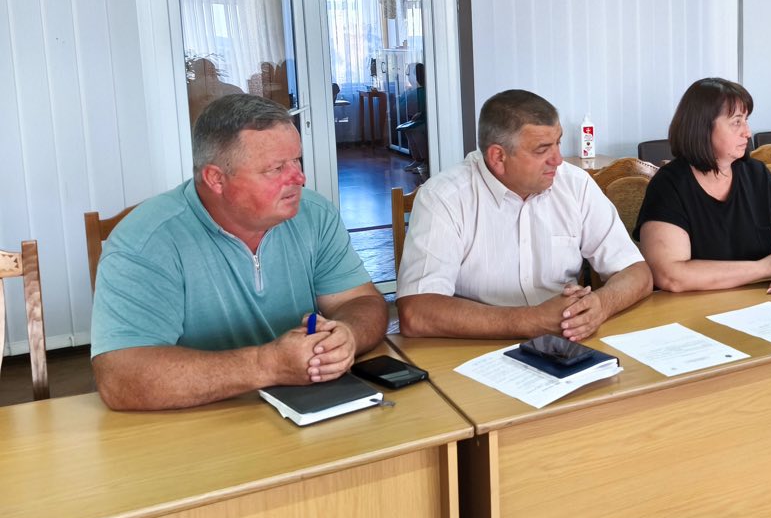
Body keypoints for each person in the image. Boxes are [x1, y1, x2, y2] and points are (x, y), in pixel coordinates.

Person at [90, 94, 388, 411]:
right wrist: (267, 365)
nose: (299, 178)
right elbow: (120, 376)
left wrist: (347, 335)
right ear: (216, 179)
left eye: (297, 161)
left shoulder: (314, 214)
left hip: (309, 408)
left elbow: (359, 301)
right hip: (196, 420)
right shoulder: (147, 240)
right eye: (276, 168)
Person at [397, 89, 651, 340]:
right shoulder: (444, 197)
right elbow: (417, 312)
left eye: (558, 143)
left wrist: (600, 305)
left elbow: (636, 272)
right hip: (475, 344)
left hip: (566, 339)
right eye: (542, 150)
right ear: (498, 157)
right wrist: (531, 321)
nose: (558, 160)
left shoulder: (575, 184)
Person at [637, 77, 771, 300]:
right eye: (736, 122)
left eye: (746, 120)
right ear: (703, 127)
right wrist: (765, 267)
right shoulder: (669, 185)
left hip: (762, 300)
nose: (747, 132)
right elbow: (671, 275)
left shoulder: (756, 174)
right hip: (693, 307)